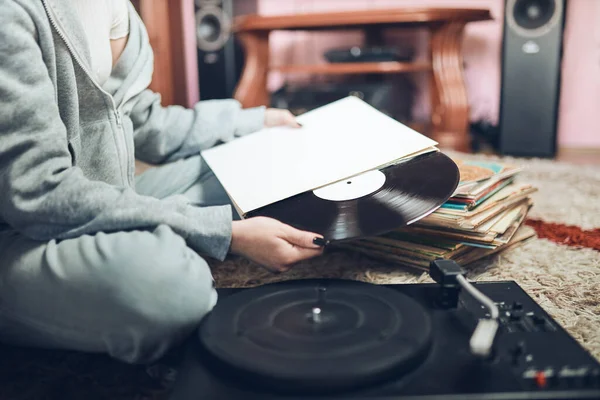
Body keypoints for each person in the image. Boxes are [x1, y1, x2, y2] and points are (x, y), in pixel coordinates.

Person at [0, 0, 324, 364]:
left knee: (261, 163)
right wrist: (225, 233)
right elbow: (40, 193)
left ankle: (149, 242)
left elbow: (144, 124)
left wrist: (252, 123)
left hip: (108, 197)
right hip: (23, 233)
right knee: (168, 287)